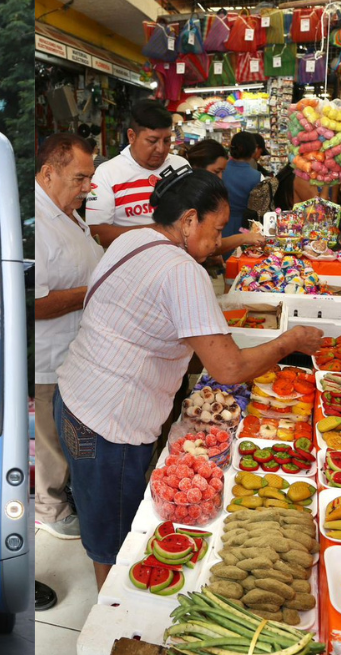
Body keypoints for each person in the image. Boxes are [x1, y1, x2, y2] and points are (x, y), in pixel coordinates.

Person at [55, 167, 321, 591]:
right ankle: (113, 611)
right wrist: (288, 341)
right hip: (112, 423)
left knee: (98, 508)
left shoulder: (133, 237)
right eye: (216, 230)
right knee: (114, 529)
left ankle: (110, 584)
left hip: (74, 398)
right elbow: (228, 368)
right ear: (189, 219)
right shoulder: (183, 272)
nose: (218, 242)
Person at [34, 132, 102, 541]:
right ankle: (50, 509)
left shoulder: (69, 212)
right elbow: (37, 303)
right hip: (49, 355)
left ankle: (65, 496)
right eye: (79, 178)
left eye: (89, 177)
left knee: (65, 434)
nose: (88, 186)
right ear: (48, 174)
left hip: (74, 352)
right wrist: (94, 292)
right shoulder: (38, 224)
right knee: (49, 440)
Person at [85, 98, 191, 247]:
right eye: (152, 141)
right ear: (131, 136)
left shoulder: (181, 166)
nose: (161, 149)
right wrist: (156, 232)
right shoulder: (107, 173)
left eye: (167, 141)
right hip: (133, 267)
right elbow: (96, 233)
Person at [221, 132, 262, 245]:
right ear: (253, 151)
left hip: (220, 224)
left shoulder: (220, 170)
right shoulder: (257, 176)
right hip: (244, 226)